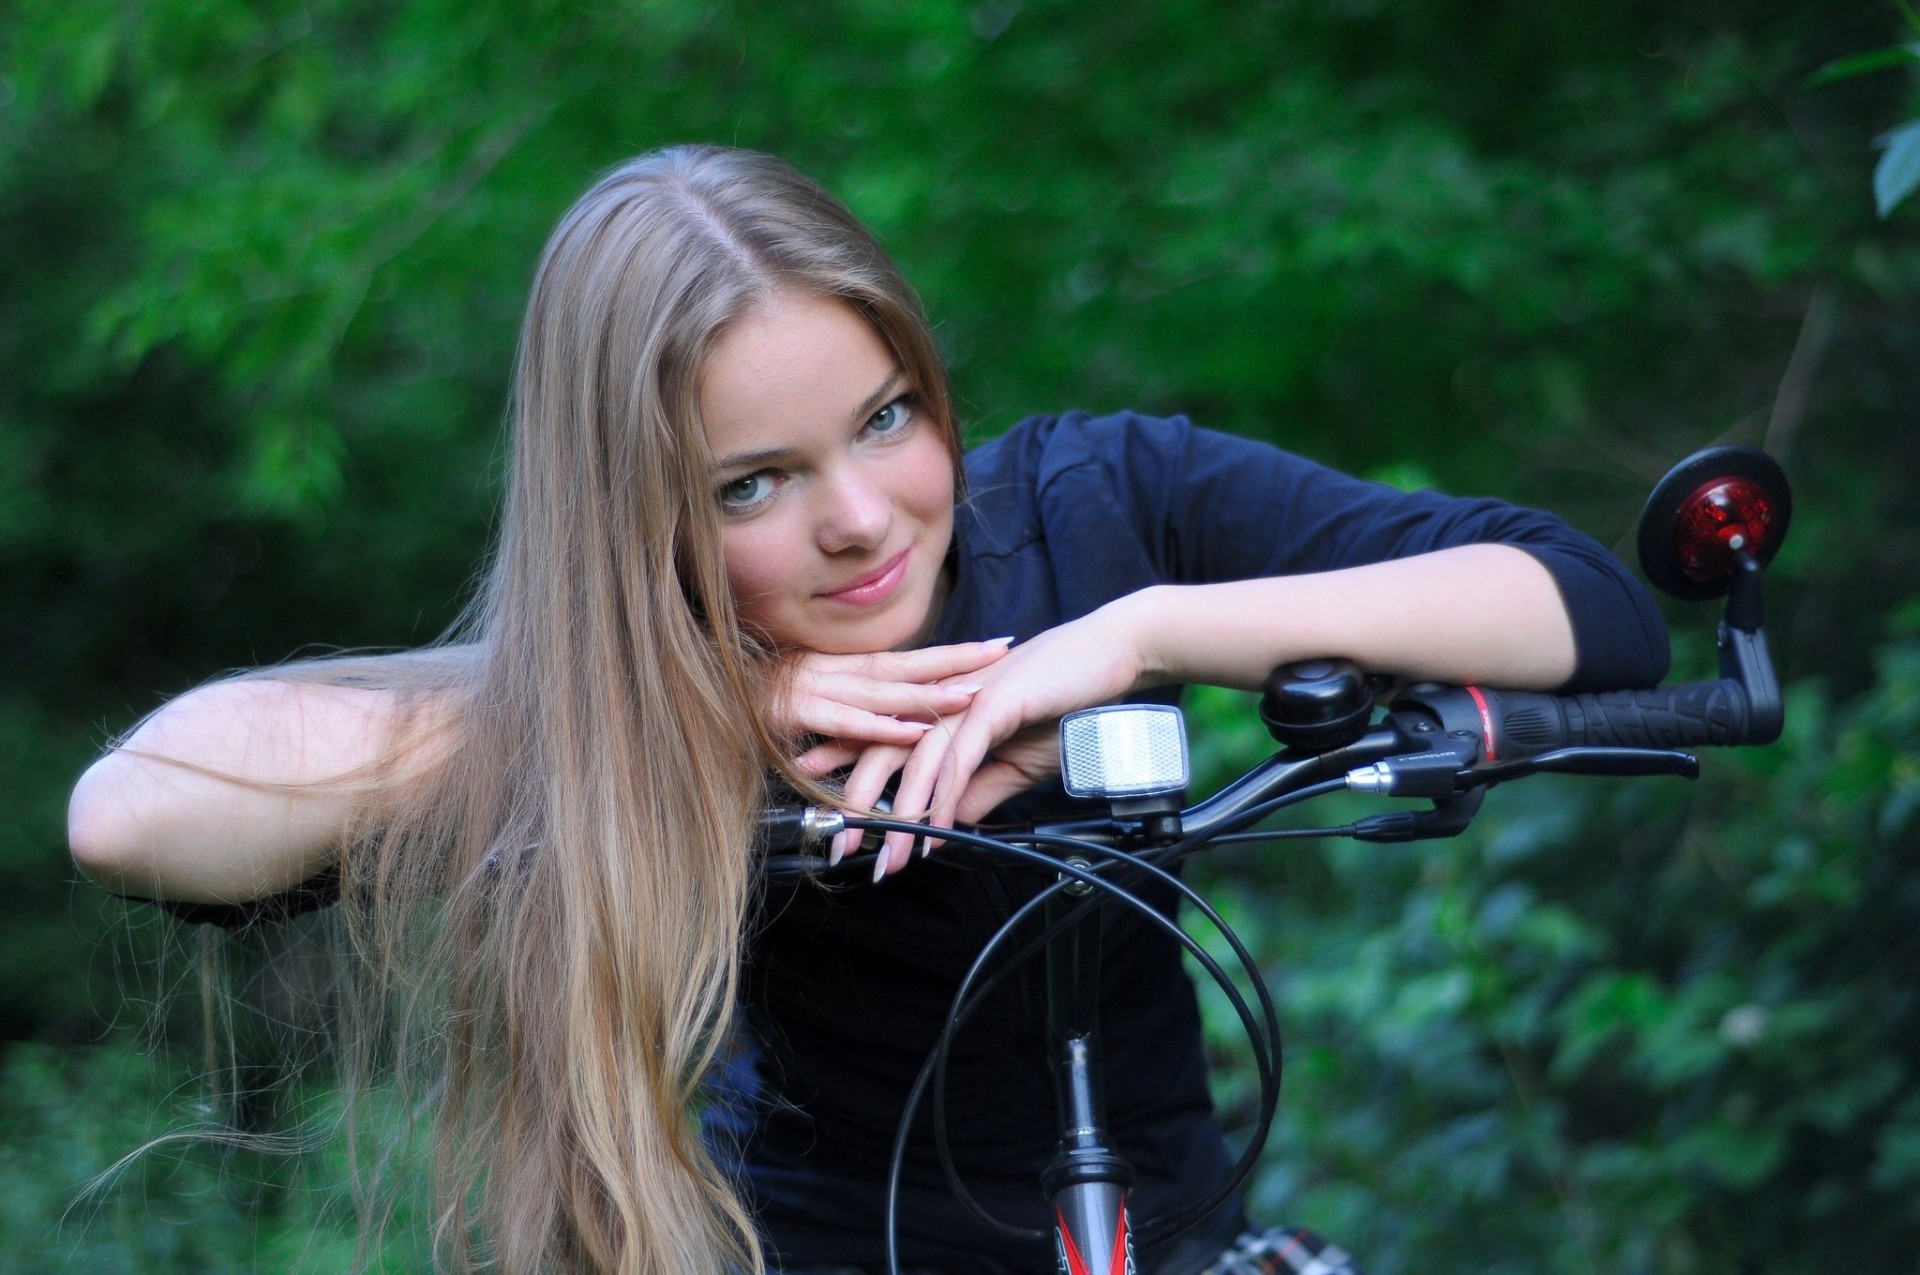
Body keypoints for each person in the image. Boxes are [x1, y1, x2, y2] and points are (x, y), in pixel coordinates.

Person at [67, 145, 1669, 1275]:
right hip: (818, 1247)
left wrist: (1144, 633)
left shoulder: (1095, 506)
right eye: (755, 483)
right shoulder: (662, 654)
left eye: (888, 417)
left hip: (1165, 1232)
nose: (862, 519)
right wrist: (699, 708)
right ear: (643, 529)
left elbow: (1591, 612)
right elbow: (133, 813)